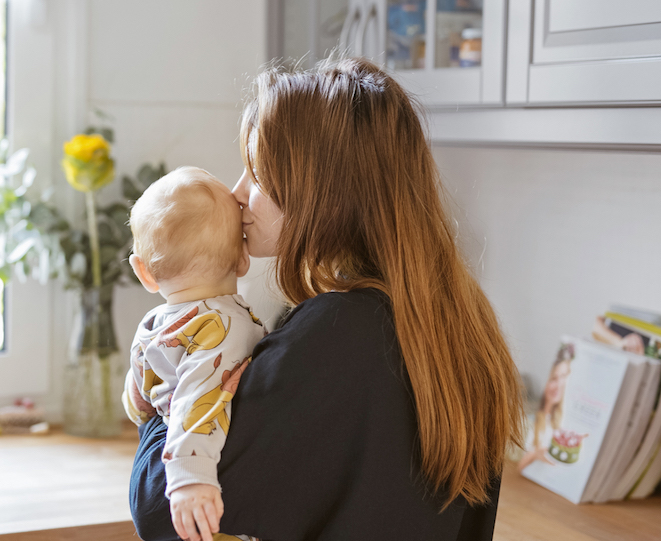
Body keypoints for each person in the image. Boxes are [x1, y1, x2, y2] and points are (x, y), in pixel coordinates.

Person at [130, 57, 525, 541]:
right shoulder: (458, 319)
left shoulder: (337, 333)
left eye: (257, 174)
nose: (237, 194)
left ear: (322, 190)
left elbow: (158, 506)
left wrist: (165, 379)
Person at [122, 166, 266, 541]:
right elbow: (197, 402)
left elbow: (140, 400)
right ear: (241, 260)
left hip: (177, 452)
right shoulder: (224, 326)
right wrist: (189, 479)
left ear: (145, 273)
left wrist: (142, 410)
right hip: (204, 484)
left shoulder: (154, 323)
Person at [517, 344, 574, 472]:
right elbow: (520, 467)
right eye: (554, 378)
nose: (558, 385)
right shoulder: (536, 422)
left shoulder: (564, 423)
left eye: (564, 377)